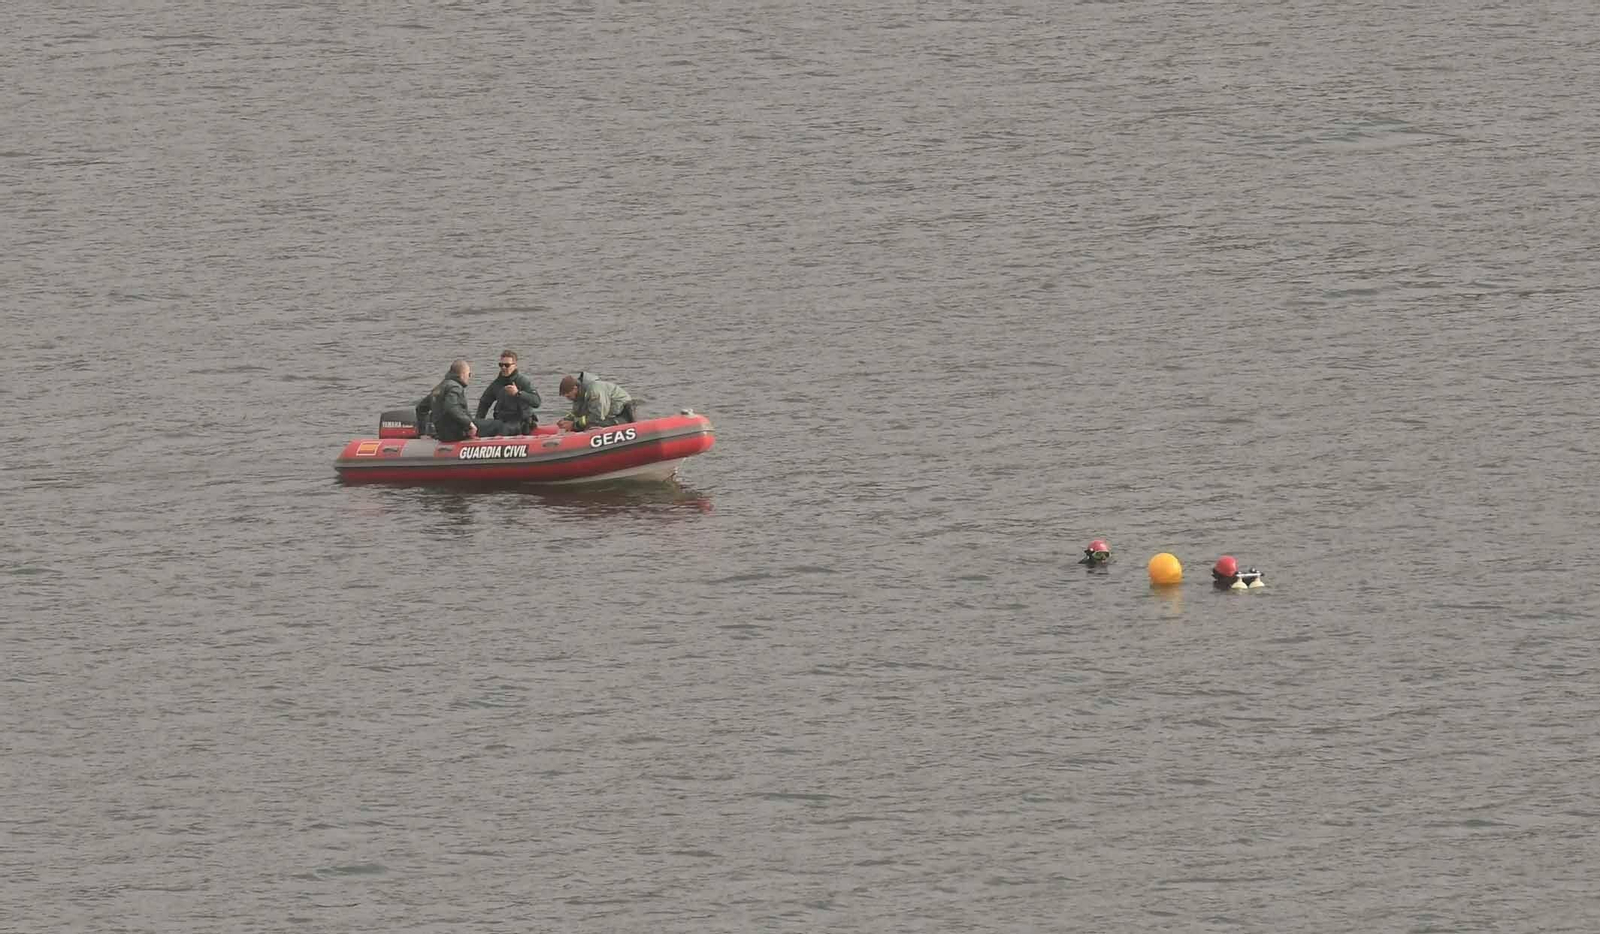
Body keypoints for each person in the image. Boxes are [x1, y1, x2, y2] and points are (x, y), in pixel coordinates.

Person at [415, 359, 485, 442]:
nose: (469, 377)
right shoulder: (455, 387)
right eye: (469, 374)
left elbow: (420, 408)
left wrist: (423, 433)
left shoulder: (439, 388)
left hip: (442, 433)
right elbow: (451, 407)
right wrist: (469, 424)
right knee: (496, 425)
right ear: (462, 374)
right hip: (456, 433)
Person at [475, 350, 541, 436]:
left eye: (507, 365)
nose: (503, 368)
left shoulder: (523, 381)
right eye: (501, 365)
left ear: (515, 366)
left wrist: (518, 393)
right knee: (476, 423)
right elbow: (484, 402)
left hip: (520, 422)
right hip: (502, 421)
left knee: (503, 429)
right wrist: (478, 423)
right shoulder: (496, 384)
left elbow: (536, 402)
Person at [556, 371, 636, 431]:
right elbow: (577, 412)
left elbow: (597, 416)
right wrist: (566, 420)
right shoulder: (579, 396)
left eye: (568, 396)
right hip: (608, 415)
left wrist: (573, 425)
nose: (568, 399)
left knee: (591, 427)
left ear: (575, 388)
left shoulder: (594, 390)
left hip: (622, 413)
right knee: (584, 426)